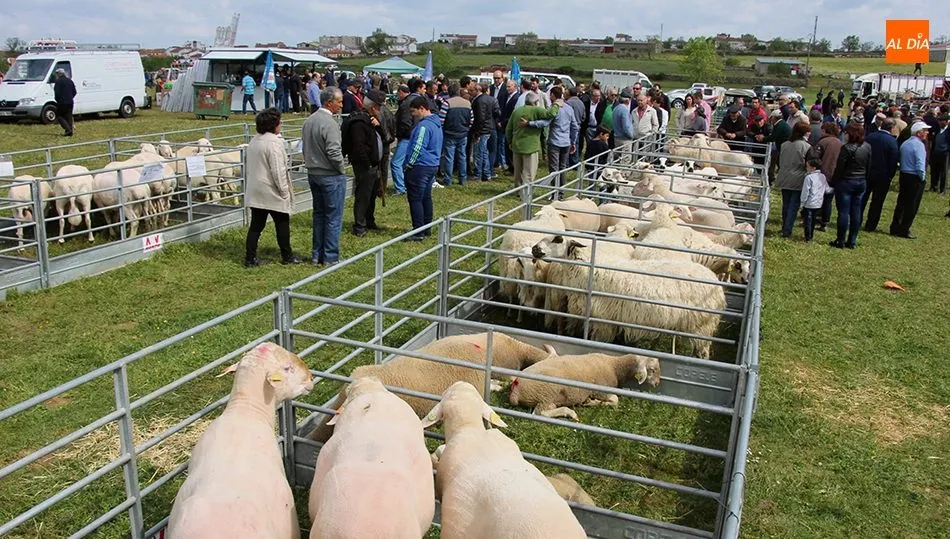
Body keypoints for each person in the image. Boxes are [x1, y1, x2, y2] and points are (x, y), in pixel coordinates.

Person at [243, 108, 300, 267]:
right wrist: (284, 190)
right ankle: (287, 256)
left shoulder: (255, 140)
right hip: (271, 189)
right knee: (282, 223)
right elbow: (278, 170)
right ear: (274, 124)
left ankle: (250, 258)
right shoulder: (274, 143)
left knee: (256, 226)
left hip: (256, 188)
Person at [302, 87, 346, 266]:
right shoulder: (330, 124)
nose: (341, 105)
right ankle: (330, 256)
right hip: (330, 175)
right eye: (339, 102)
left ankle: (316, 254)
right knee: (333, 217)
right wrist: (341, 169)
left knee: (319, 215)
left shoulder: (309, 121)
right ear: (329, 103)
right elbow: (334, 152)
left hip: (313, 173)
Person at [342, 90, 385, 238]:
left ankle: (369, 220)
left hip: (374, 163)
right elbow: (358, 146)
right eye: (378, 107)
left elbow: (382, 138)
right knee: (363, 195)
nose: (380, 110)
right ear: (373, 107)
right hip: (365, 165)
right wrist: (367, 164)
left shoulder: (371, 120)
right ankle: (359, 225)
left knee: (371, 194)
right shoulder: (359, 122)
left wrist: (378, 127)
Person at [402, 97, 443, 241]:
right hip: (432, 164)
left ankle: (418, 231)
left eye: (414, 112)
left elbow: (418, 147)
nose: (413, 115)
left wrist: (409, 164)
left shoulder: (424, 126)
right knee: (426, 197)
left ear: (422, 108)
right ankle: (427, 227)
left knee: (415, 199)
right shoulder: (437, 124)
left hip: (420, 166)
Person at [828, 121, 871, 249]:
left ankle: (840, 239)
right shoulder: (867, 147)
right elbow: (869, 165)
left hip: (846, 181)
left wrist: (833, 182)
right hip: (861, 180)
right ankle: (852, 240)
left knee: (843, 211)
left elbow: (839, 168)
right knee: (856, 211)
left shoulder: (846, 148)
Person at [506, 92, 560, 186]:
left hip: (516, 145)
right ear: (535, 102)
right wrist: (556, 104)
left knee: (518, 172)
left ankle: (518, 190)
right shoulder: (536, 110)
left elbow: (508, 129)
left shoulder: (517, 111)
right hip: (530, 147)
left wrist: (510, 142)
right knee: (528, 173)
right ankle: (525, 192)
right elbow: (551, 114)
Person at [890, 121, 930, 239]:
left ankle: (895, 226)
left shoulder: (905, 143)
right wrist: (922, 177)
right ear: (918, 133)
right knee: (912, 205)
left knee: (901, 202)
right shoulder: (919, 145)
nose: (927, 133)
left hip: (904, 174)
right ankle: (904, 229)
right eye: (925, 131)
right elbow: (920, 163)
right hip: (914, 176)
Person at [774, 121, 811, 238]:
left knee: (786, 204)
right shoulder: (807, 147)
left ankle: (784, 226)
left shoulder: (784, 144)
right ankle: (787, 230)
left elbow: (779, 160)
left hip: (784, 176)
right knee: (793, 206)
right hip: (798, 178)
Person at [862, 119, 900, 232]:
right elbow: (893, 161)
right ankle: (871, 225)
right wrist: (890, 175)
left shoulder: (870, 137)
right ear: (892, 128)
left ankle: (857, 219)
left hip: (867, 173)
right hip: (883, 176)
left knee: (862, 199)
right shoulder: (892, 141)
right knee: (877, 202)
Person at [391, 80, 425, 196]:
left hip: (407, 137)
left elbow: (405, 122)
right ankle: (406, 185)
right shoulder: (419, 101)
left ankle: (400, 188)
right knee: (407, 163)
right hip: (414, 135)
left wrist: (400, 134)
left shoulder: (407, 103)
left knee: (396, 163)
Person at [439, 82, 473, 186]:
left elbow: (441, 120)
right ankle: (463, 179)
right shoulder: (467, 103)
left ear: (449, 92)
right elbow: (471, 120)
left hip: (449, 133)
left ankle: (448, 179)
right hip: (463, 133)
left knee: (449, 157)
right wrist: (466, 128)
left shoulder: (447, 103)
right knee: (462, 156)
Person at [470, 82, 500, 181]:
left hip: (483, 129)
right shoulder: (491, 99)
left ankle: (478, 174)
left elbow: (480, 118)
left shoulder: (479, 100)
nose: (471, 92)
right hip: (490, 127)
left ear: (478, 90)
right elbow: (497, 113)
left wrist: (477, 133)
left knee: (479, 153)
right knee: (484, 153)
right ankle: (486, 173)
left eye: (473, 90)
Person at [800, 152, 831, 242]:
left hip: (809, 202)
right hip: (818, 202)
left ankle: (807, 236)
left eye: (807, 167)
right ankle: (811, 235)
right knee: (813, 220)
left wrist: (802, 202)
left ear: (813, 168)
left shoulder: (808, 178)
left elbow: (805, 191)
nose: (806, 168)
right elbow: (827, 189)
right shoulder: (822, 176)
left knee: (808, 220)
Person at [53, 68, 77, 137]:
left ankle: (68, 129)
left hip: (62, 102)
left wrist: (57, 100)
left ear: (58, 74)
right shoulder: (70, 81)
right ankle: (70, 132)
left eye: (56, 74)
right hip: (70, 102)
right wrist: (70, 97)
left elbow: (57, 93)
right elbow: (74, 92)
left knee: (59, 116)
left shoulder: (58, 82)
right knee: (69, 116)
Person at [930, 114, 949, 194]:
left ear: (946, 122)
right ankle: (933, 187)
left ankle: (942, 189)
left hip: (945, 154)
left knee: (943, 172)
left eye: (942, 121)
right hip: (936, 153)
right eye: (939, 121)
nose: (940, 122)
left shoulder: (948, 131)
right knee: (934, 170)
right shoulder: (937, 130)